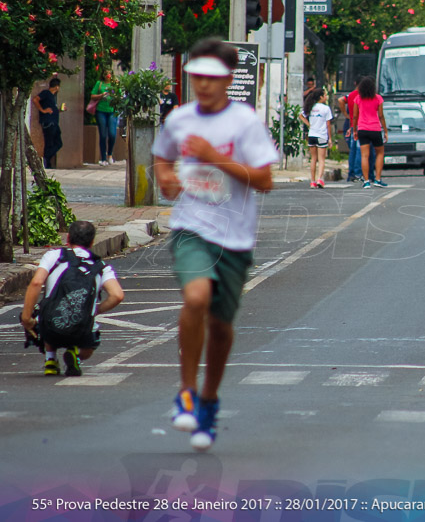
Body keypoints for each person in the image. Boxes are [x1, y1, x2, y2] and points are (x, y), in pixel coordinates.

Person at [152, 38, 279, 452]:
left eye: (211, 78)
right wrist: (166, 179)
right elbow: (162, 157)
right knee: (196, 296)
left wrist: (212, 156)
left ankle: (208, 401)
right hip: (191, 227)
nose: (202, 86)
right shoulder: (180, 119)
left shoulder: (244, 123)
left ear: (226, 80)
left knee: (222, 328)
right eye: (196, 78)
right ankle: (186, 392)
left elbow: (264, 180)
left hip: (235, 238)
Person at [20, 221, 125, 376]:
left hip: (50, 329)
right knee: (87, 340)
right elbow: (117, 295)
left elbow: (36, 282)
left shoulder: (55, 256)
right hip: (82, 330)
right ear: (92, 242)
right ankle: (76, 354)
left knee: (47, 308)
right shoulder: (101, 266)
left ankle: (50, 359)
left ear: (68, 238)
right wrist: (94, 310)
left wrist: (26, 317)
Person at [352, 76, 388, 189]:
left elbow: (355, 116)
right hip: (375, 129)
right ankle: (377, 178)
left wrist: (354, 130)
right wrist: (385, 131)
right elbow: (381, 115)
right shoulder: (378, 98)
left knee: (364, 155)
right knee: (380, 153)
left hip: (362, 129)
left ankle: (366, 181)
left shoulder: (358, 99)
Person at [299, 87, 333, 188]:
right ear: (321, 97)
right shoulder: (326, 108)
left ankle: (312, 181)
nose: (326, 97)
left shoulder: (310, 106)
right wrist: (330, 138)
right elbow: (328, 125)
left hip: (311, 135)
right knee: (321, 159)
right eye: (325, 95)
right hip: (321, 135)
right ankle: (320, 179)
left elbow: (301, 115)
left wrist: (309, 124)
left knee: (313, 159)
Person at [338, 90, 369, 183]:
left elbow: (340, 100)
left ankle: (352, 174)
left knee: (353, 151)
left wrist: (346, 116)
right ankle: (359, 173)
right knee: (361, 151)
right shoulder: (364, 96)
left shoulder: (351, 95)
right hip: (361, 126)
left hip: (352, 126)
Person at [33, 77, 62, 169]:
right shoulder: (46, 93)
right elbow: (35, 99)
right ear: (56, 87)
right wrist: (42, 110)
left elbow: (52, 109)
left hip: (54, 121)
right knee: (49, 142)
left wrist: (59, 110)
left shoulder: (52, 97)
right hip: (48, 122)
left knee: (58, 143)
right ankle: (46, 160)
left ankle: (47, 158)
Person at [91, 69, 117, 166]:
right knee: (102, 135)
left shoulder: (115, 84)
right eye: (106, 73)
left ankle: (109, 154)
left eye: (110, 73)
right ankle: (103, 158)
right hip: (101, 110)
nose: (108, 75)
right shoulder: (99, 83)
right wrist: (101, 95)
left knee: (112, 134)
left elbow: (119, 95)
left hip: (112, 111)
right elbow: (92, 96)